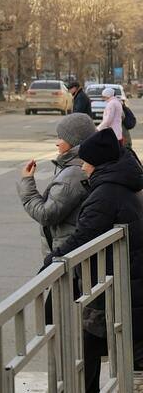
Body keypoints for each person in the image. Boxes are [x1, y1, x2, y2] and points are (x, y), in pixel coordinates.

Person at [41, 128, 143, 392]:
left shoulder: (106, 194)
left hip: (118, 283)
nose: (83, 168)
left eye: (86, 162)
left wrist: (52, 260)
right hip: (124, 278)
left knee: (89, 343)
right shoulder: (121, 185)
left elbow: (82, 236)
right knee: (95, 343)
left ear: (97, 164)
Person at [17, 113, 95, 256]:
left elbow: (46, 214)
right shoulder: (83, 164)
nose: (57, 143)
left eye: (61, 138)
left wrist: (27, 182)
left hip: (67, 253)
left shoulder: (73, 174)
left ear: (74, 141)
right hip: (74, 249)